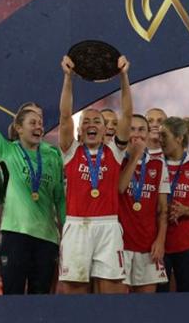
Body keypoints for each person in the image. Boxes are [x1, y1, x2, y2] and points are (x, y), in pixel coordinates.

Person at [0, 51, 65, 294]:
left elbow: (59, 198)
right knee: (12, 297)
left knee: (40, 299)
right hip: (14, 234)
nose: (39, 125)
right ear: (19, 128)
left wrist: (67, 231)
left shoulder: (52, 155)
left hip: (47, 239)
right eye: (32, 122)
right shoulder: (7, 151)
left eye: (41, 121)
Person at [57, 55, 133, 294]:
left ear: (105, 130)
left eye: (97, 121)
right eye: (86, 121)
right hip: (77, 226)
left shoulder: (114, 152)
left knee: (113, 295)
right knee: (74, 294)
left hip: (108, 227)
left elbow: (128, 115)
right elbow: (64, 116)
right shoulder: (71, 151)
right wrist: (68, 78)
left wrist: (124, 76)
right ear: (80, 129)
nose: (91, 124)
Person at [118, 114, 170, 293]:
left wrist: (161, 240)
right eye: (131, 129)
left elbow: (163, 209)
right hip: (120, 244)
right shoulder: (117, 160)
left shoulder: (159, 165)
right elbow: (120, 188)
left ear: (148, 134)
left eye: (141, 130)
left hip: (148, 245)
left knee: (146, 306)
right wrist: (135, 157)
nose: (137, 134)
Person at [159, 116, 189, 292]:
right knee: (158, 297)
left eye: (164, 136)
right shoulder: (154, 163)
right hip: (158, 243)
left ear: (178, 138)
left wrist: (185, 210)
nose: (160, 140)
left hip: (187, 244)